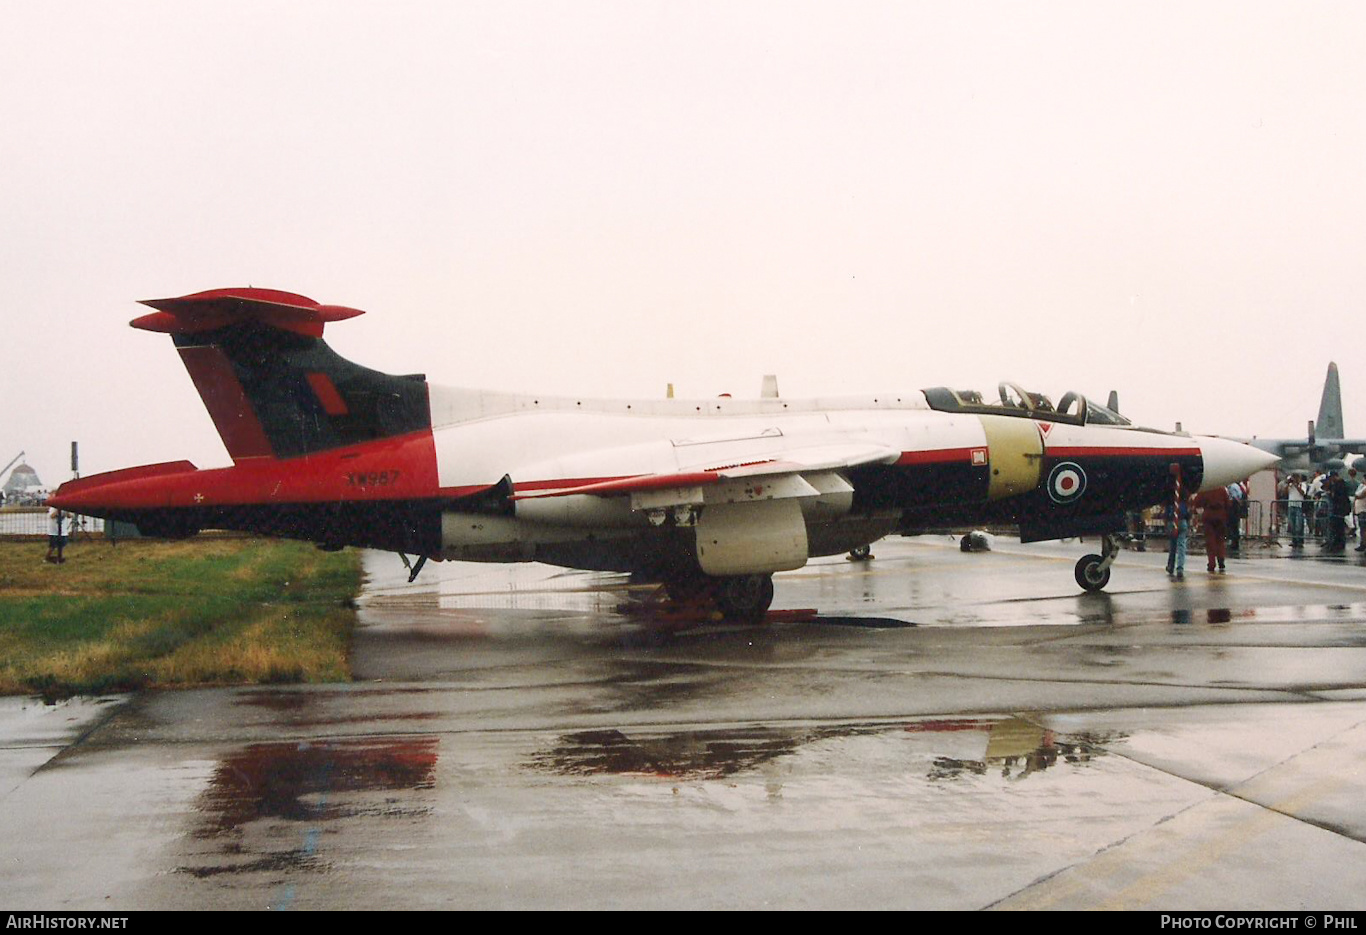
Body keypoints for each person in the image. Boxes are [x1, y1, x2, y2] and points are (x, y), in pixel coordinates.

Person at [1194, 485, 1232, 572]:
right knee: (1220, 540)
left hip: (1209, 515)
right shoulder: (1222, 489)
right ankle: (1221, 559)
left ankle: (1211, 563)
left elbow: (1197, 502)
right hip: (1221, 516)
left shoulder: (1206, 489)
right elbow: (1228, 503)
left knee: (1210, 541)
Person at [1165, 492, 1190, 579]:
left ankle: (1171, 566)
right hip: (1182, 520)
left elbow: (1166, 513)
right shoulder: (1183, 500)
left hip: (1172, 520)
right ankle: (1180, 568)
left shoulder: (1170, 500)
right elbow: (1187, 513)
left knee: (1172, 545)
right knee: (1181, 545)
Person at [1327, 473, 1351, 551]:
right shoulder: (1340, 484)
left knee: (1339, 527)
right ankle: (1339, 542)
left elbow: (1338, 497)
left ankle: (1339, 543)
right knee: (1338, 527)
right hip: (1340, 508)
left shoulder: (1339, 485)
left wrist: (1332, 494)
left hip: (1339, 508)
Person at [1286, 472, 1307, 548]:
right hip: (1291, 505)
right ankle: (1294, 540)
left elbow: (1303, 493)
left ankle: (1300, 540)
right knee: (1292, 524)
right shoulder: (1290, 485)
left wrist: (1296, 485)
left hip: (1299, 505)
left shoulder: (1302, 484)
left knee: (1299, 524)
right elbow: (1285, 492)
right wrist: (1288, 484)